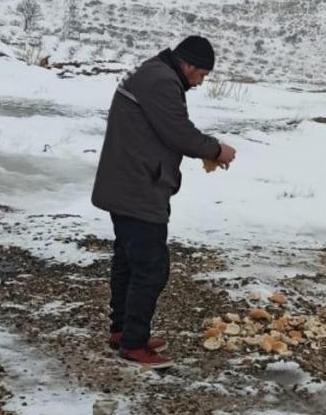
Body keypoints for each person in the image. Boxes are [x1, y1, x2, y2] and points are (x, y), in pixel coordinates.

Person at [91, 36, 237, 368]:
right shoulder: (161, 81)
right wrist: (216, 150)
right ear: (188, 65)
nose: (201, 83)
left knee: (128, 261)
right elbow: (178, 133)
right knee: (151, 267)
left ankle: (123, 331)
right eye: (202, 75)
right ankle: (134, 343)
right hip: (137, 188)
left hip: (128, 183)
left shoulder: (155, 73)